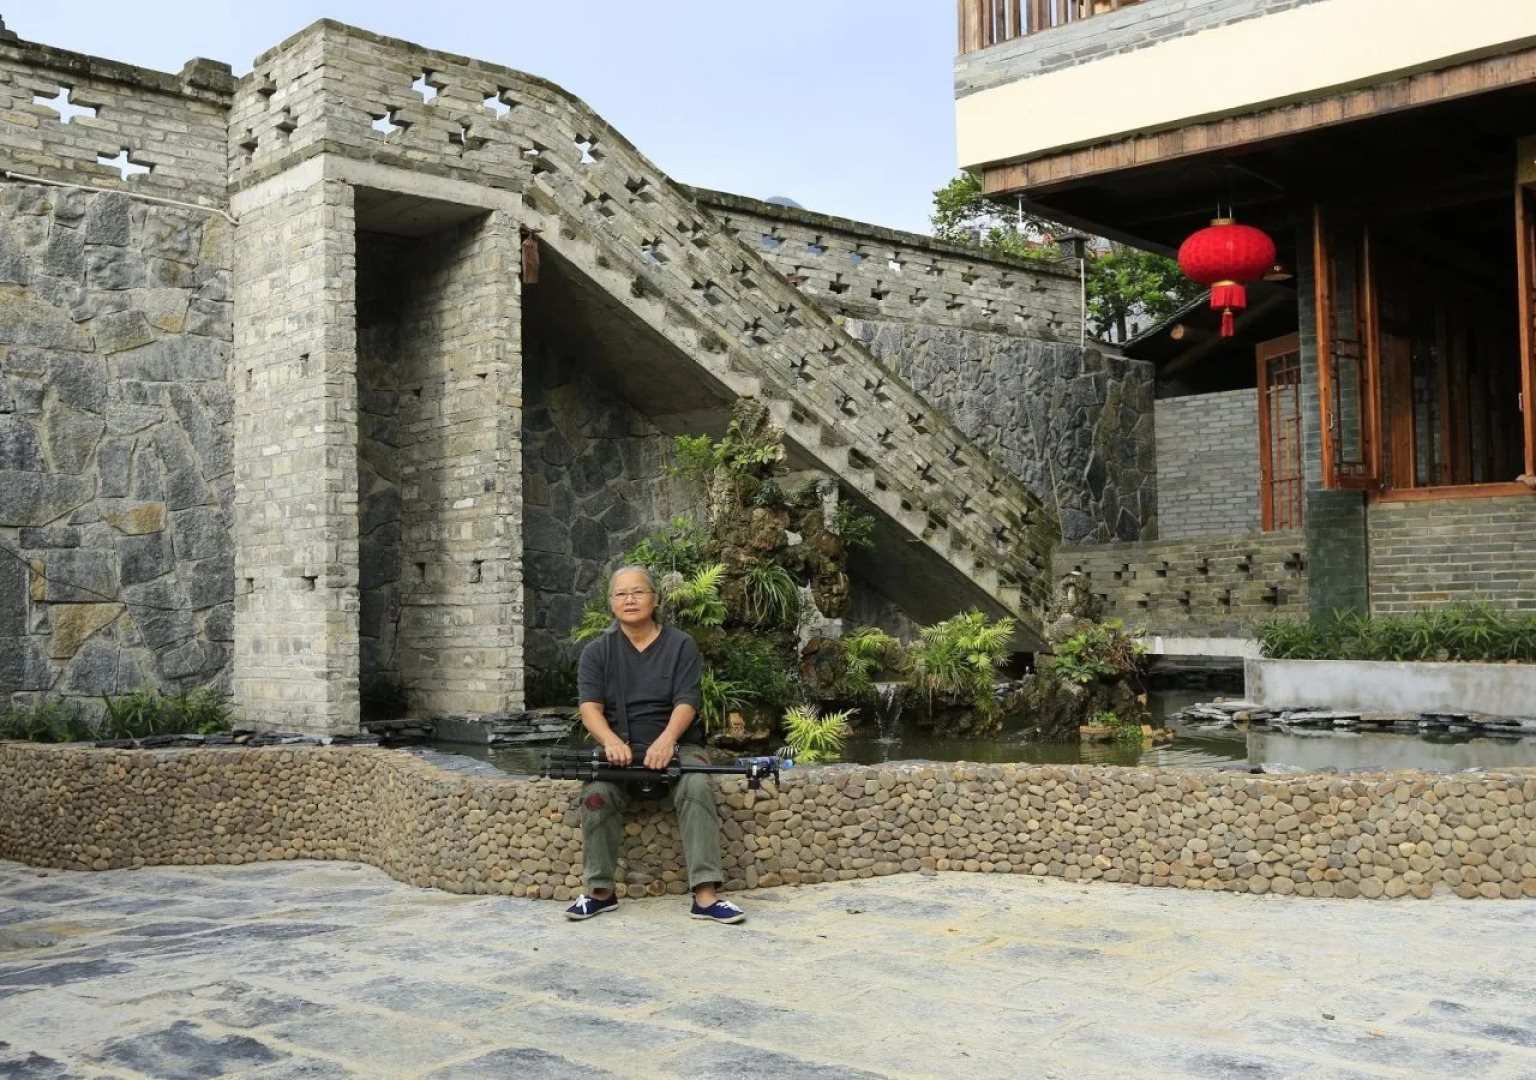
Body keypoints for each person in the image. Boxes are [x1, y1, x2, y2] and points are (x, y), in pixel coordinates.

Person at [563, 565, 745, 924]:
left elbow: (687, 701)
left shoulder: (680, 645)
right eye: (621, 594)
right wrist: (611, 741)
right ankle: (600, 892)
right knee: (596, 793)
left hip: (677, 745)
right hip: (622, 749)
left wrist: (667, 740)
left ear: (655, 598)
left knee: (696, 784)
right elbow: (590, 709)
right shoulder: (597, 652)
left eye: (638, 592)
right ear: (612, 603)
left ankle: (706, 895)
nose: (629, 599)